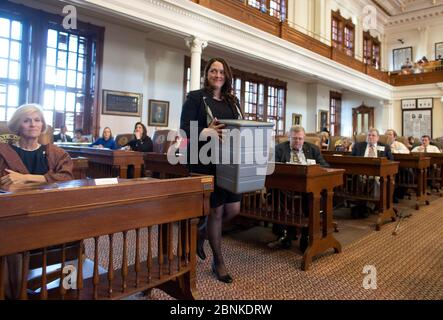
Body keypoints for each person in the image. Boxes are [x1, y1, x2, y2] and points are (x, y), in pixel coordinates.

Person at [0, 103, 74, 299]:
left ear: (43, 126)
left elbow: (67, 177)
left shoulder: (56, 152)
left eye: (37, 120)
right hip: (16, 217)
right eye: (27, 120)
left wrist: (27, 178)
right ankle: (14, 293)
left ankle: (69, 288)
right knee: (11, 240)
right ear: (17, 126)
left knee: (76, 228)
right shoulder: (3, 152)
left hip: (50, 214)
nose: (33, 124)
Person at [180, 57, 243, 283]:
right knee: (216, 211)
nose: (217, 75)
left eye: (221, 72)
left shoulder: (232, 101)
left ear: (226, 76)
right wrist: (205, 132)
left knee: (233, 209)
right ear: (207, 74)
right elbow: (183, 131)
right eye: (213, 71)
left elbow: (239, 127)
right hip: (205, 162)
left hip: (229, 162)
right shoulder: (196, 97)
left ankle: (200, 232)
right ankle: (219, 262)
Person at [269, 125, 329, 249]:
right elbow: (272, 167)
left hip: (308, 187)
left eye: (300, 139)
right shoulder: (279, 149)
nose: (297, 141)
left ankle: (306, 234)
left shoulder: (312, 149)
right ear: (289, 137)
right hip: (285, 186)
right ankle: (284, 234)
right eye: (294, 138)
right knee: (278, 192)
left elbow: (324, 166)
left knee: (314, 193)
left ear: (304, 138)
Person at [351, 128, 393, 218]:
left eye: (373, 135)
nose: (370, 137)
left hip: (378, 173)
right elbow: (352, 159)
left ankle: (372, 205)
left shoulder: (385, 147)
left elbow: (391, 161)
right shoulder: (358, 146)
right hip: (361, 172)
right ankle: (362, 204)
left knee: (377, 181)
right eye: (369, 135)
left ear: (378, 138)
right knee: (359, 179)